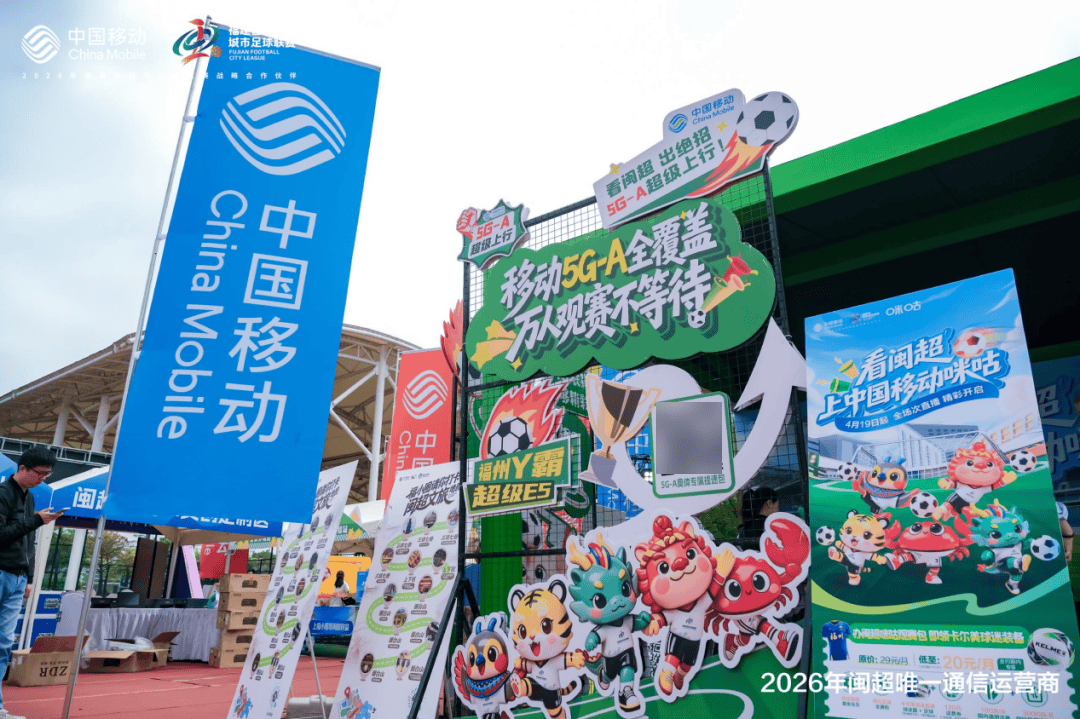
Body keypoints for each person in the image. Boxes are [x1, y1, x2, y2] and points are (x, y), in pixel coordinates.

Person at [0, 448, 63, 719]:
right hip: (2, 571)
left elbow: (29, 542)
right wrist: (35, 520)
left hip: (16, 577)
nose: (43, 478)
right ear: (23, 468)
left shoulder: (30, 498)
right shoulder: (3, 494)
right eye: (40, 473)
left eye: (47, 475)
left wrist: (29, 578)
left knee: (4, 643)